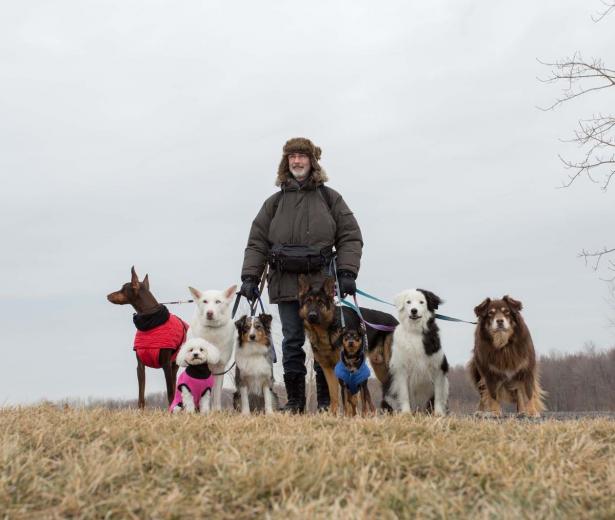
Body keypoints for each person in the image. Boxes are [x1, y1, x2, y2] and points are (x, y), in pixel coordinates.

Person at [239, 137, 363, 413]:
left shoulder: (330, 198)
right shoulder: (273, 203)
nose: (297, 161)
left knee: (324, 343)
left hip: (320, 284)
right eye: (292, 156)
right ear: (286, 162)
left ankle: (324, 402)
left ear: (312, 161)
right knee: (292, 340)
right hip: (284, 282)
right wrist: (250, 277)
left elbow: (350, 236)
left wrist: (346, 271)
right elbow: (257, 242)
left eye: (302, 156)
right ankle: (294, 402)